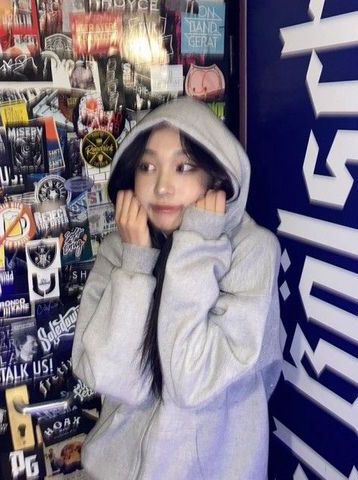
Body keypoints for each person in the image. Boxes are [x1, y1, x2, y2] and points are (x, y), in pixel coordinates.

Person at [71, 97, 282, 479]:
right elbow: (109, 377)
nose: (162, 187)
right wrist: (137, 262)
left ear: (216, 177)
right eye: (147, 166)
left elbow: (191, 384)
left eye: (184, 167)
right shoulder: (120, 249)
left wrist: (197, 247)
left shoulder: (251, 250)